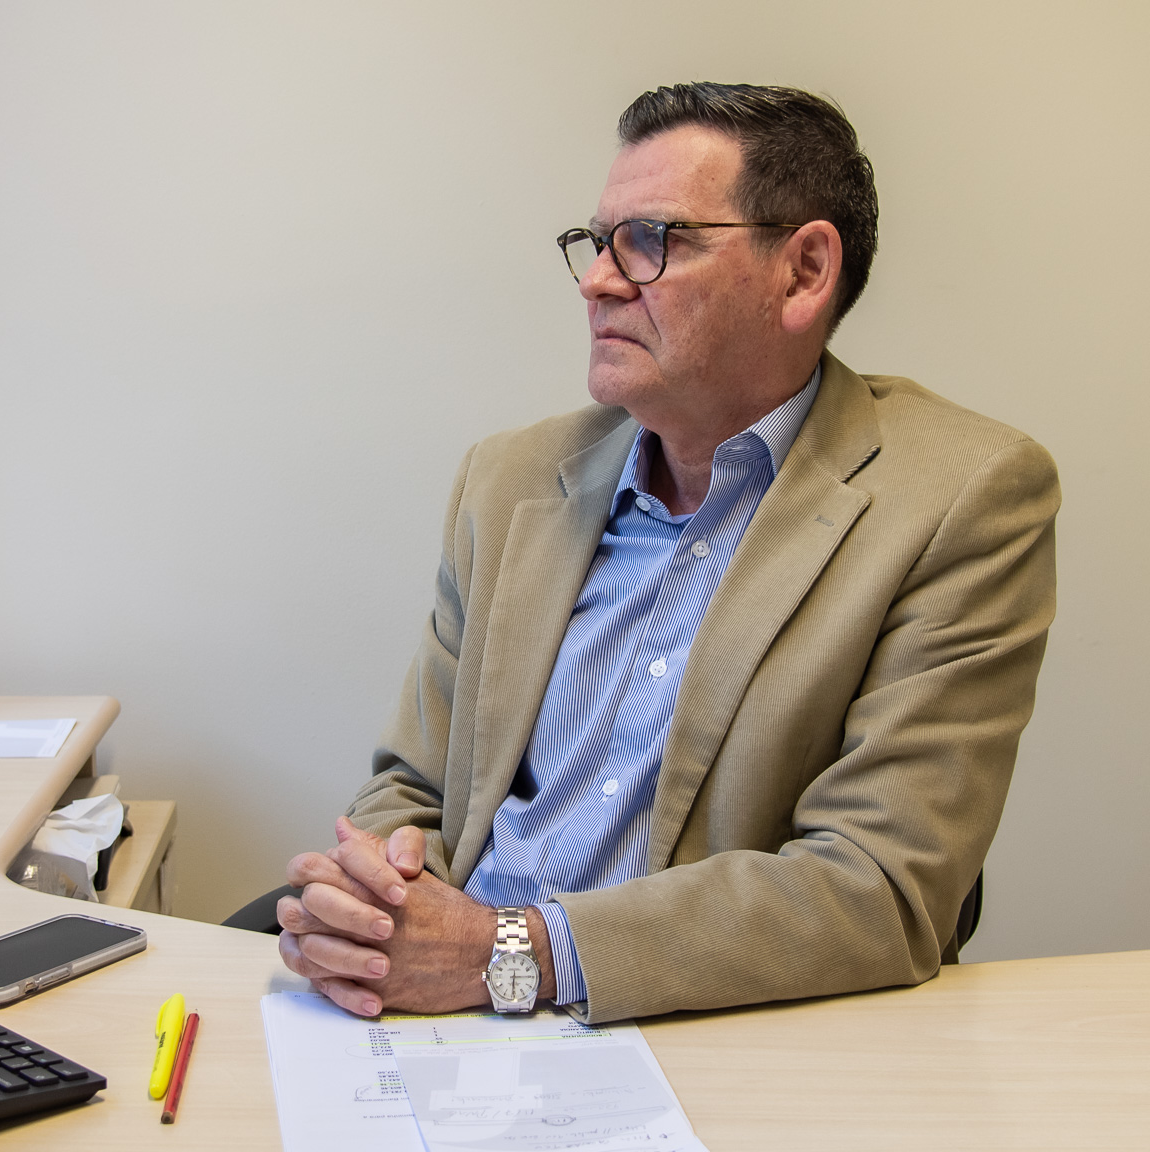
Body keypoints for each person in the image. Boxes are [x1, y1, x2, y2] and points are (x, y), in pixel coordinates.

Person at [271, 82, 1060, 1024]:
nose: (597, 281)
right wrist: (373, 907)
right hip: (435, 1021)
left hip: (692, 1033)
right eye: (596, 242)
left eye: (650, 241)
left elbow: (880, 885)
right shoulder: (508, 480)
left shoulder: (960, 495)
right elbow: (412, 785)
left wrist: (507, 954)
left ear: (804, 272)